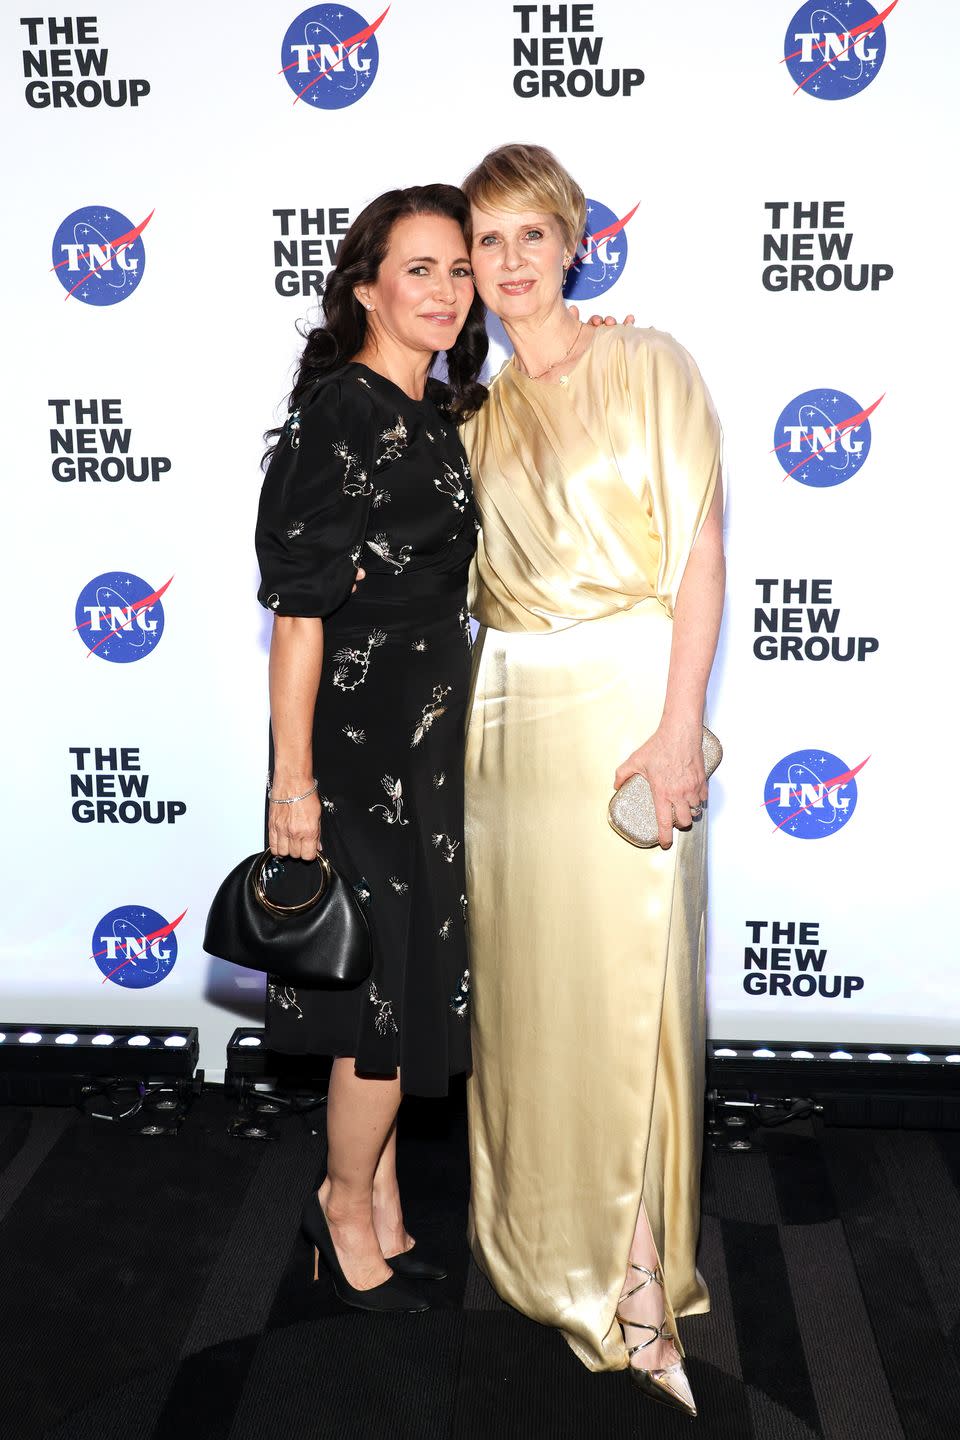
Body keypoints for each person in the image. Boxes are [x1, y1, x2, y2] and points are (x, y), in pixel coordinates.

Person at [460, 144, 725, 1417]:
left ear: (575, 242)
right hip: (511, 722)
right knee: (538, 997)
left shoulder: (650, 364)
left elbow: (703, 559)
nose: (509, 264)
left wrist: (682, 726)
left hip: (627, 710)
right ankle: (558, 1252)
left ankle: (631, 1281)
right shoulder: (472, 420)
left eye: (530, 236)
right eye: (485, 243)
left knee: (634, 991)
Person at [255, 184, 488, 1312]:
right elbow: (300, 614)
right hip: (356, 754)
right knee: (382, 1004)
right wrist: (291, 786)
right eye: (420, 269)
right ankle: (339, 1207)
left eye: (459, 269)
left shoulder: (435, 415)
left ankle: (385, 1207)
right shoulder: (341, 412)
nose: (446, 291)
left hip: (423, 752)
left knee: (402, 989)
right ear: (366, 288)